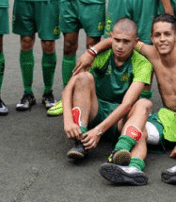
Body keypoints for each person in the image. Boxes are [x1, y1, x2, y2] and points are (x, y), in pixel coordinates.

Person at [89, 14, 176, 186]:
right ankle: (133, 169)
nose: (162, 39)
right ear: (151, 38)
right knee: (136, 124)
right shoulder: (153, 55)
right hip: (167, 119)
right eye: (158, 35)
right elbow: (119, 39)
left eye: (167, 34)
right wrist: (92, 52)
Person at [62, 18, 153, 159]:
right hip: (95, 111)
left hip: (119, 119)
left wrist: (98, 131)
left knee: (145, 104)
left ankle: (119, 151)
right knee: (83, 78)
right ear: (111, 38)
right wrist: (67, 120)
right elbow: (69, 87)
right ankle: (80, 141)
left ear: (136, 42)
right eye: (117, 40)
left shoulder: (143, 64)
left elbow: (127, 105)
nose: (120, 46)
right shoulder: (100, 56)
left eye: (126, 41)